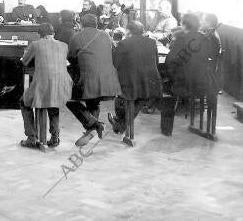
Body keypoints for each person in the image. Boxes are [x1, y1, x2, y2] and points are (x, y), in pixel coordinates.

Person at [66, 14, 122, 146]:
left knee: (68, 99)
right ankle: (92, 129)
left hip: (89, 79)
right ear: (96, 24)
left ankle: (95, 125)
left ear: (81, 24)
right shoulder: (105, 35)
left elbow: (71, 57)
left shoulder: (76, 36)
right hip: (109, 79)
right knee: (93, 102)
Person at [19, 23, 73, 149]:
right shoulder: (64, 45)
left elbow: (25, 61)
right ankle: (55, 137)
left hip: (43, 84)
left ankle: (32, 137)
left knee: (24, 102)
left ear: (39, 34)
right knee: (53, 102)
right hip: (63, 85)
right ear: (53, 33)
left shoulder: (36, 44)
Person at [108, 21, 162, 134]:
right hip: (149, 82)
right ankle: (121, 123)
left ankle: (121, 124)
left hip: (130, 83)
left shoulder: (124, 43)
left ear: (128, 31)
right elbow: (156, 62)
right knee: (140, 100)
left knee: (121, 98)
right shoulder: (152, 42)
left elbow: (115, 63)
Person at [165, 13, 214, 99]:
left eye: (181, 23)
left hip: (184, 83)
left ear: (184, 25)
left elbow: (169, 60)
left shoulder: (181, 39)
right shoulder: (205, 38)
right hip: (202, 81)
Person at [201, 13, 222, 93]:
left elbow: (209, 56)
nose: (200, 22)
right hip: (206, 66)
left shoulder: (212, 36)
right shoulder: (209, 33)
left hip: (206, 70)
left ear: (208, 23)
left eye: (202, 20)